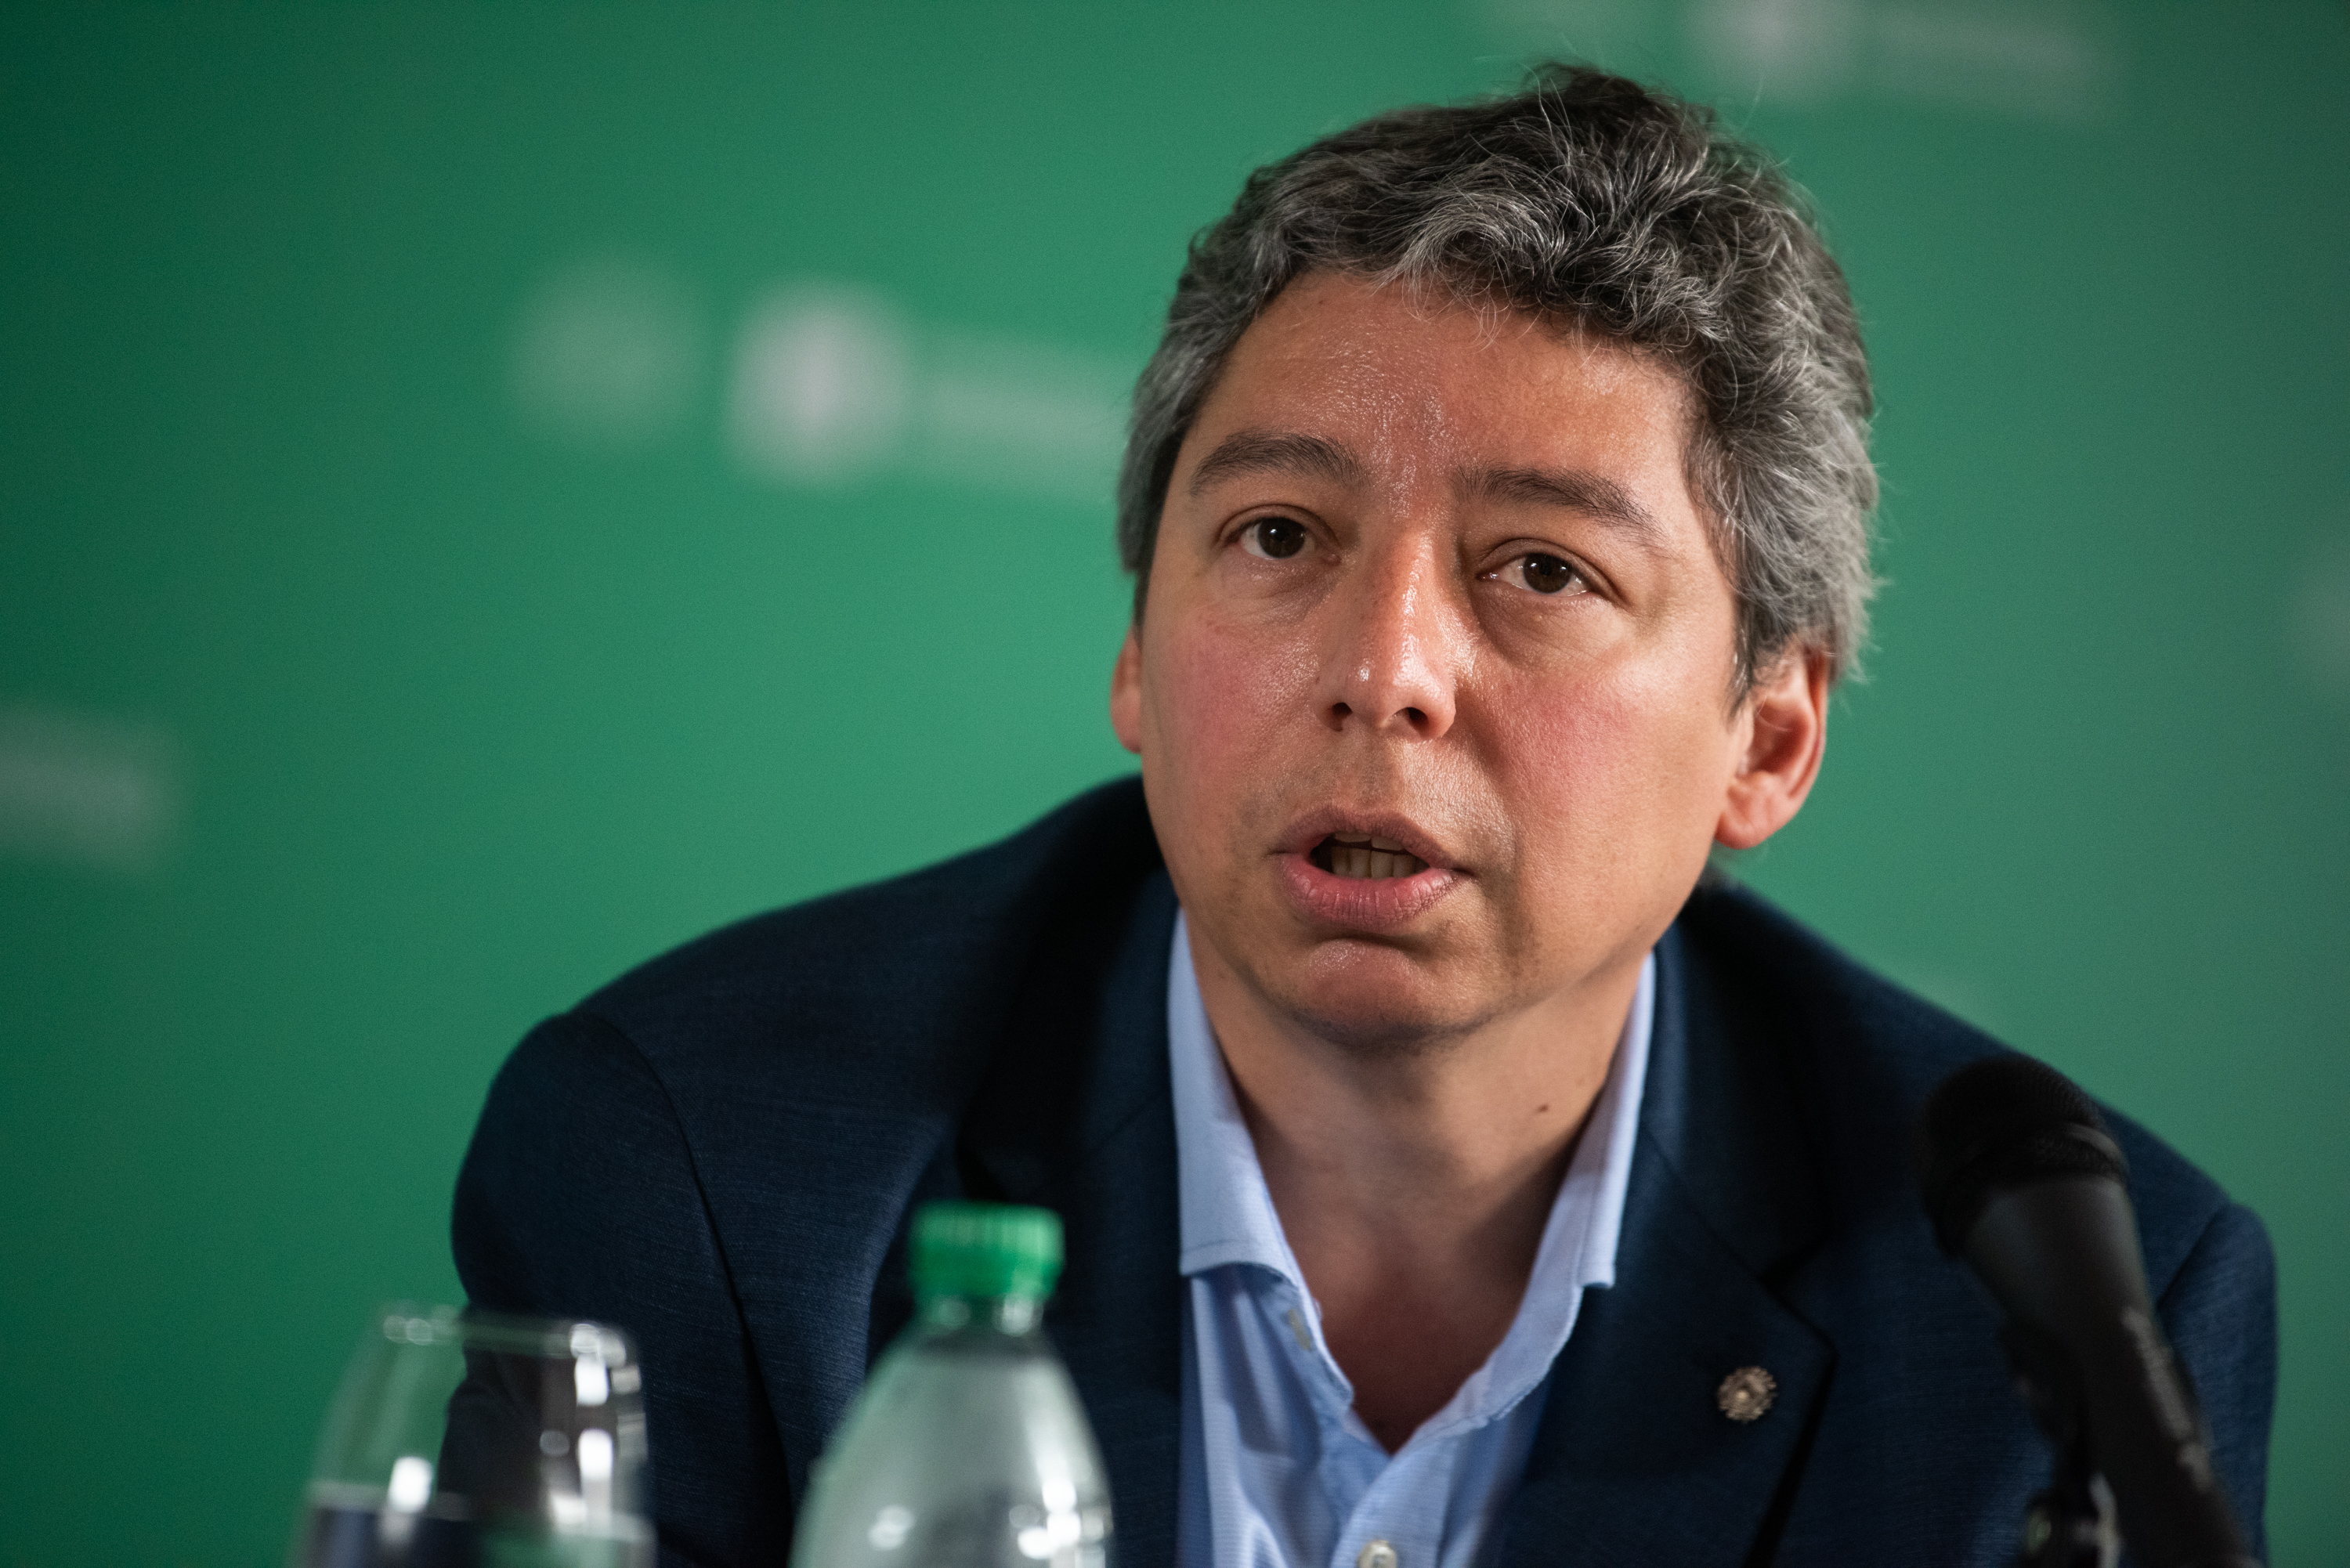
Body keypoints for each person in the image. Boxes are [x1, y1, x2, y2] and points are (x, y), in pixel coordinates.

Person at [452, 64, 2275, 1566]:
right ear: (1139, 650)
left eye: (1543, 569)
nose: (1385, 669)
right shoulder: (709, 1171)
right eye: (1280, 536)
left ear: (1769, 739)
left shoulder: (2048, 1333)